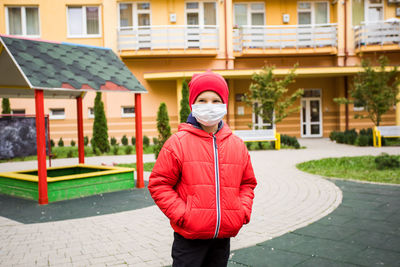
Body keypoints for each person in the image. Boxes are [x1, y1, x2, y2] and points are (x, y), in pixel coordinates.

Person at [148, 70, 257, 267]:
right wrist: (183, 215)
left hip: (222, 238)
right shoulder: (177, 143)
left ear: (224, 103)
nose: (209, 106)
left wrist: (241, 212)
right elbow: (159, 184)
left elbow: (247, 183)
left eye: (216, 100)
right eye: (202, 100)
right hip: (189, 239)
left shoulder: (237, 145)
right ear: (192, 104)